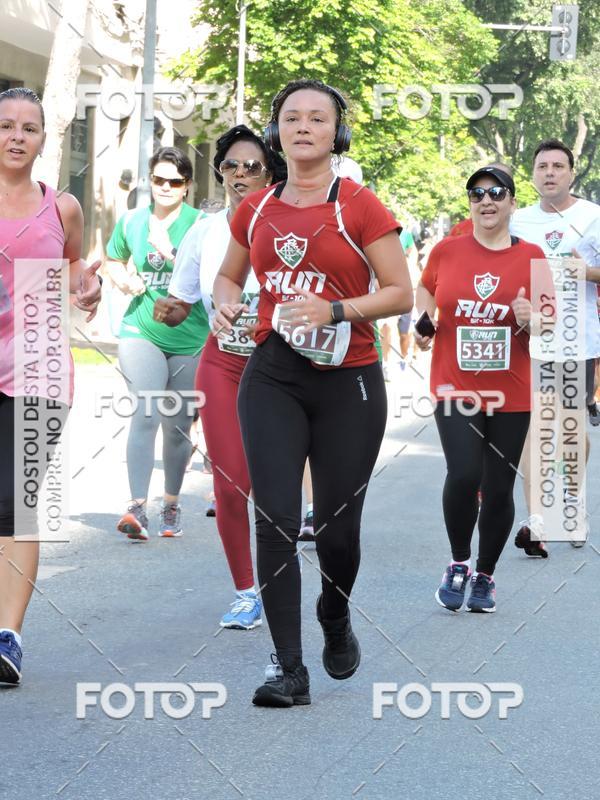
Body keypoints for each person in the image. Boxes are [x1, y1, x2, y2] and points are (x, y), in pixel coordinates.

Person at [212, 78, 412, 707]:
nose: (303, 127)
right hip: (274, 373)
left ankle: (334, 609)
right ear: (277, 132)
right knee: (273, 516)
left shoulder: (359, 205)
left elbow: (400, 292)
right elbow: (228, 276)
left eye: (317, 118)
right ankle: (289, 670)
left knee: (336, 530)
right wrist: (225, 304)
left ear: (336, 132)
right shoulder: (255, 208)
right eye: (291, 117)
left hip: (349, 378)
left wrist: (336, 309)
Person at [153, 124, 286, 629]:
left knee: (274, 488)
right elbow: (181, 303)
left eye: (252, 166)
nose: (240, 174)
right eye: (231, 165)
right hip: (223, 363)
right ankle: (246, 592)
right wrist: (168, 310)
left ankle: (281, 582)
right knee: (231, 483)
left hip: (281, 368)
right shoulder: (205, 232)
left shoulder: (290, 225)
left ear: (270, 174)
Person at [0, 87, 102, 684]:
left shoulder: (60, 206)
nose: (16, 136)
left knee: (17, 500)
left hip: (38, 367)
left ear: (43, 138)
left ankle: (8, 636)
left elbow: (71, 267)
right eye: (6, 125)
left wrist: (86, 286)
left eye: (28, 128)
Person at [416, 166, 545, 613]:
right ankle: (458, 563)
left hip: (511, 389)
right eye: (477, 194)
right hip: (455, 384)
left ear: (512, 202)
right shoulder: (447, 250)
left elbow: (549, 323)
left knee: (498, 486)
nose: (486, 200)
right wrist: (424, 321)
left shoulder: (532, 256)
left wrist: (531, 317)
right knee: (464, 473)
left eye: (496, 193)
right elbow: (425, 289)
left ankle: (485, 575)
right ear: (470, 203)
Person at [105, 146, 208, 540]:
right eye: (158, 180)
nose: (165, 187)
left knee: (177, 425)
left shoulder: (202, 224)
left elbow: (213, 274)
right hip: (141, 330)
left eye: (174, 182)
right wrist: (123, 279)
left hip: (190, 337)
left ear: (187, 186)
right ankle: (136, 508)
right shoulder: (133, 220)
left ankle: (171, 504)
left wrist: (171, 251)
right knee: (146, 411)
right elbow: (114, 259)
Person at [510, 140, 600, 552]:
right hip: (530, 341)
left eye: (558, 166)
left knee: (570, 429)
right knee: (534, 427)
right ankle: (538, 521)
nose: (550, 172)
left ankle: (573, 499)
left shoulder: (592, 216)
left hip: (577, 341)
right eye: (542, 166)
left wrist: (586, 272)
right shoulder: (518, 221)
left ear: (571, 173)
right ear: (533, 174)